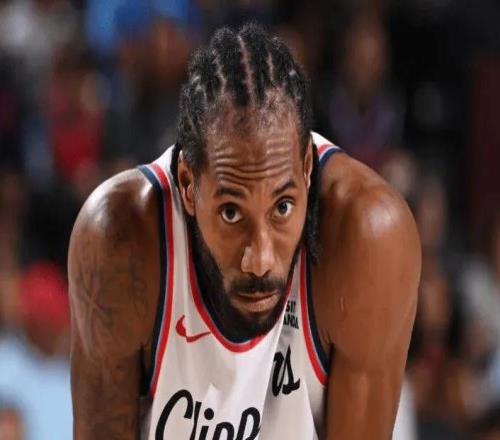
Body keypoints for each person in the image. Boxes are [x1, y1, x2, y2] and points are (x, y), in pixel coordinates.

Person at [69, 23, 420, 439]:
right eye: (232, 213)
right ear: (188, 185)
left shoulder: (368, 237)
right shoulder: (118, 239)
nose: (260, 259)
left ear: (307, 170)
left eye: (282, 208)